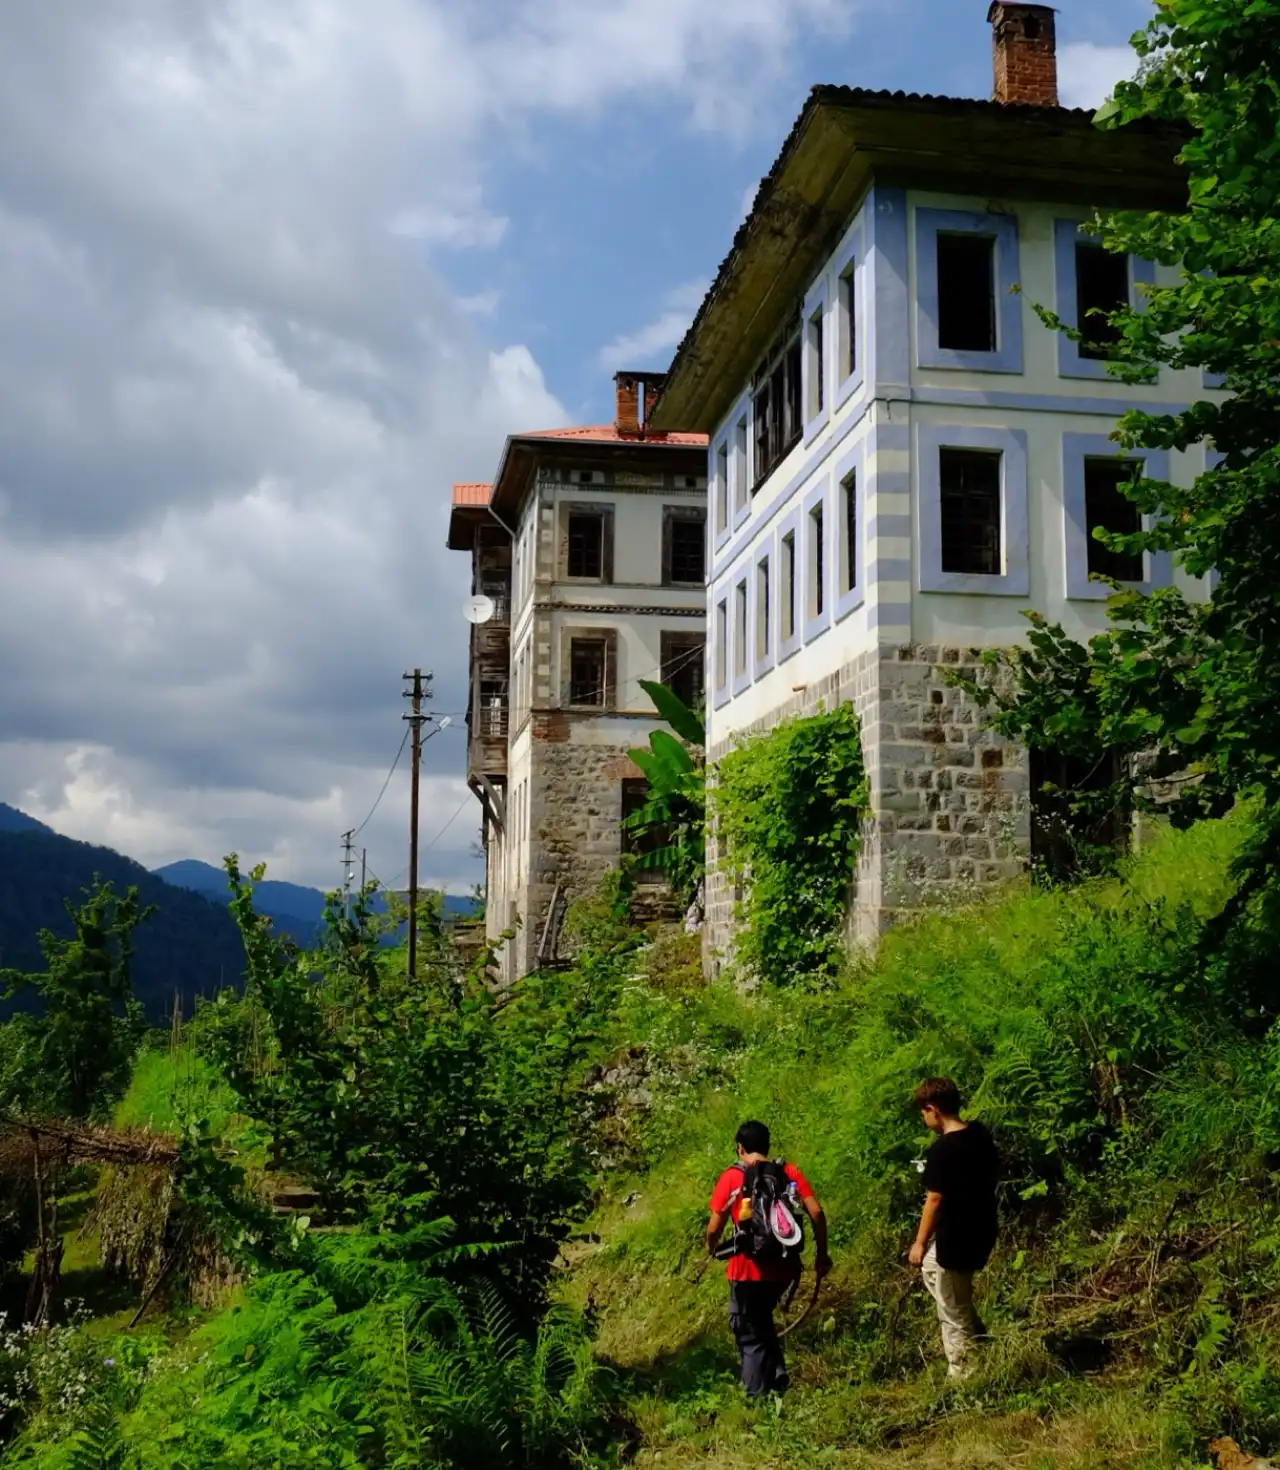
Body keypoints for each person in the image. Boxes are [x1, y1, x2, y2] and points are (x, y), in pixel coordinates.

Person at [706, 1120, 832, 1398]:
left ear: (740, 1148)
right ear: (767, 1146)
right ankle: (778, 1377)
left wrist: (711, 1248)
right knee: (762, 1318)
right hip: (784, 1266)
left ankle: (755, 1398)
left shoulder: (732, 1177)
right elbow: (817, 1214)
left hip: (746, 1269)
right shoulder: (788, 1172)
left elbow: (714, 1227)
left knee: (747, 1331)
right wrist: (822, 1254)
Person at [908, 1077, 999, 1380]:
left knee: (952, 1311)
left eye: (923, 1112)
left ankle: (964, 1375)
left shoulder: (942, 1151)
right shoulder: (979, 1135)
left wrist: (919, 1243)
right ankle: (979, 1334)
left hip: (955, 1239)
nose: (924, 1118)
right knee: (932, 1271)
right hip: (983, 1227)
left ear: (932, 1109)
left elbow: (934, 1199)